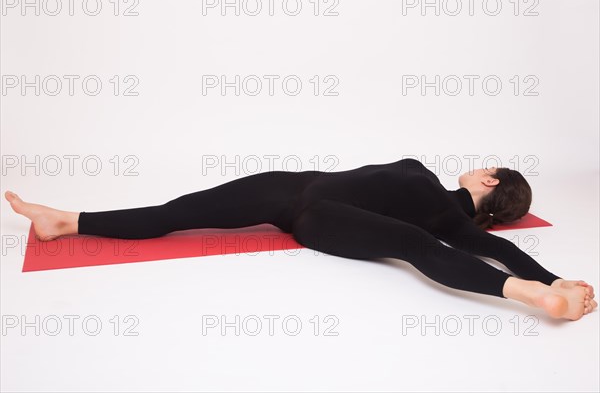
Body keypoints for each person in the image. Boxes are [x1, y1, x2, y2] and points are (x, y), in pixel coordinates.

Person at [4, 158, 596, 321]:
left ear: (488, 180)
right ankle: (65, 221)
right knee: (421, 249)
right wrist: (547, 276)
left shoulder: (425, 178)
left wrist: (548, 278)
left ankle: (71, 219)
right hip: (302, 202)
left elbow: (497, 245)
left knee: (175, 213)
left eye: (483, 166)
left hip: (296, 195)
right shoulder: (455, 223)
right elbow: (501, 246)